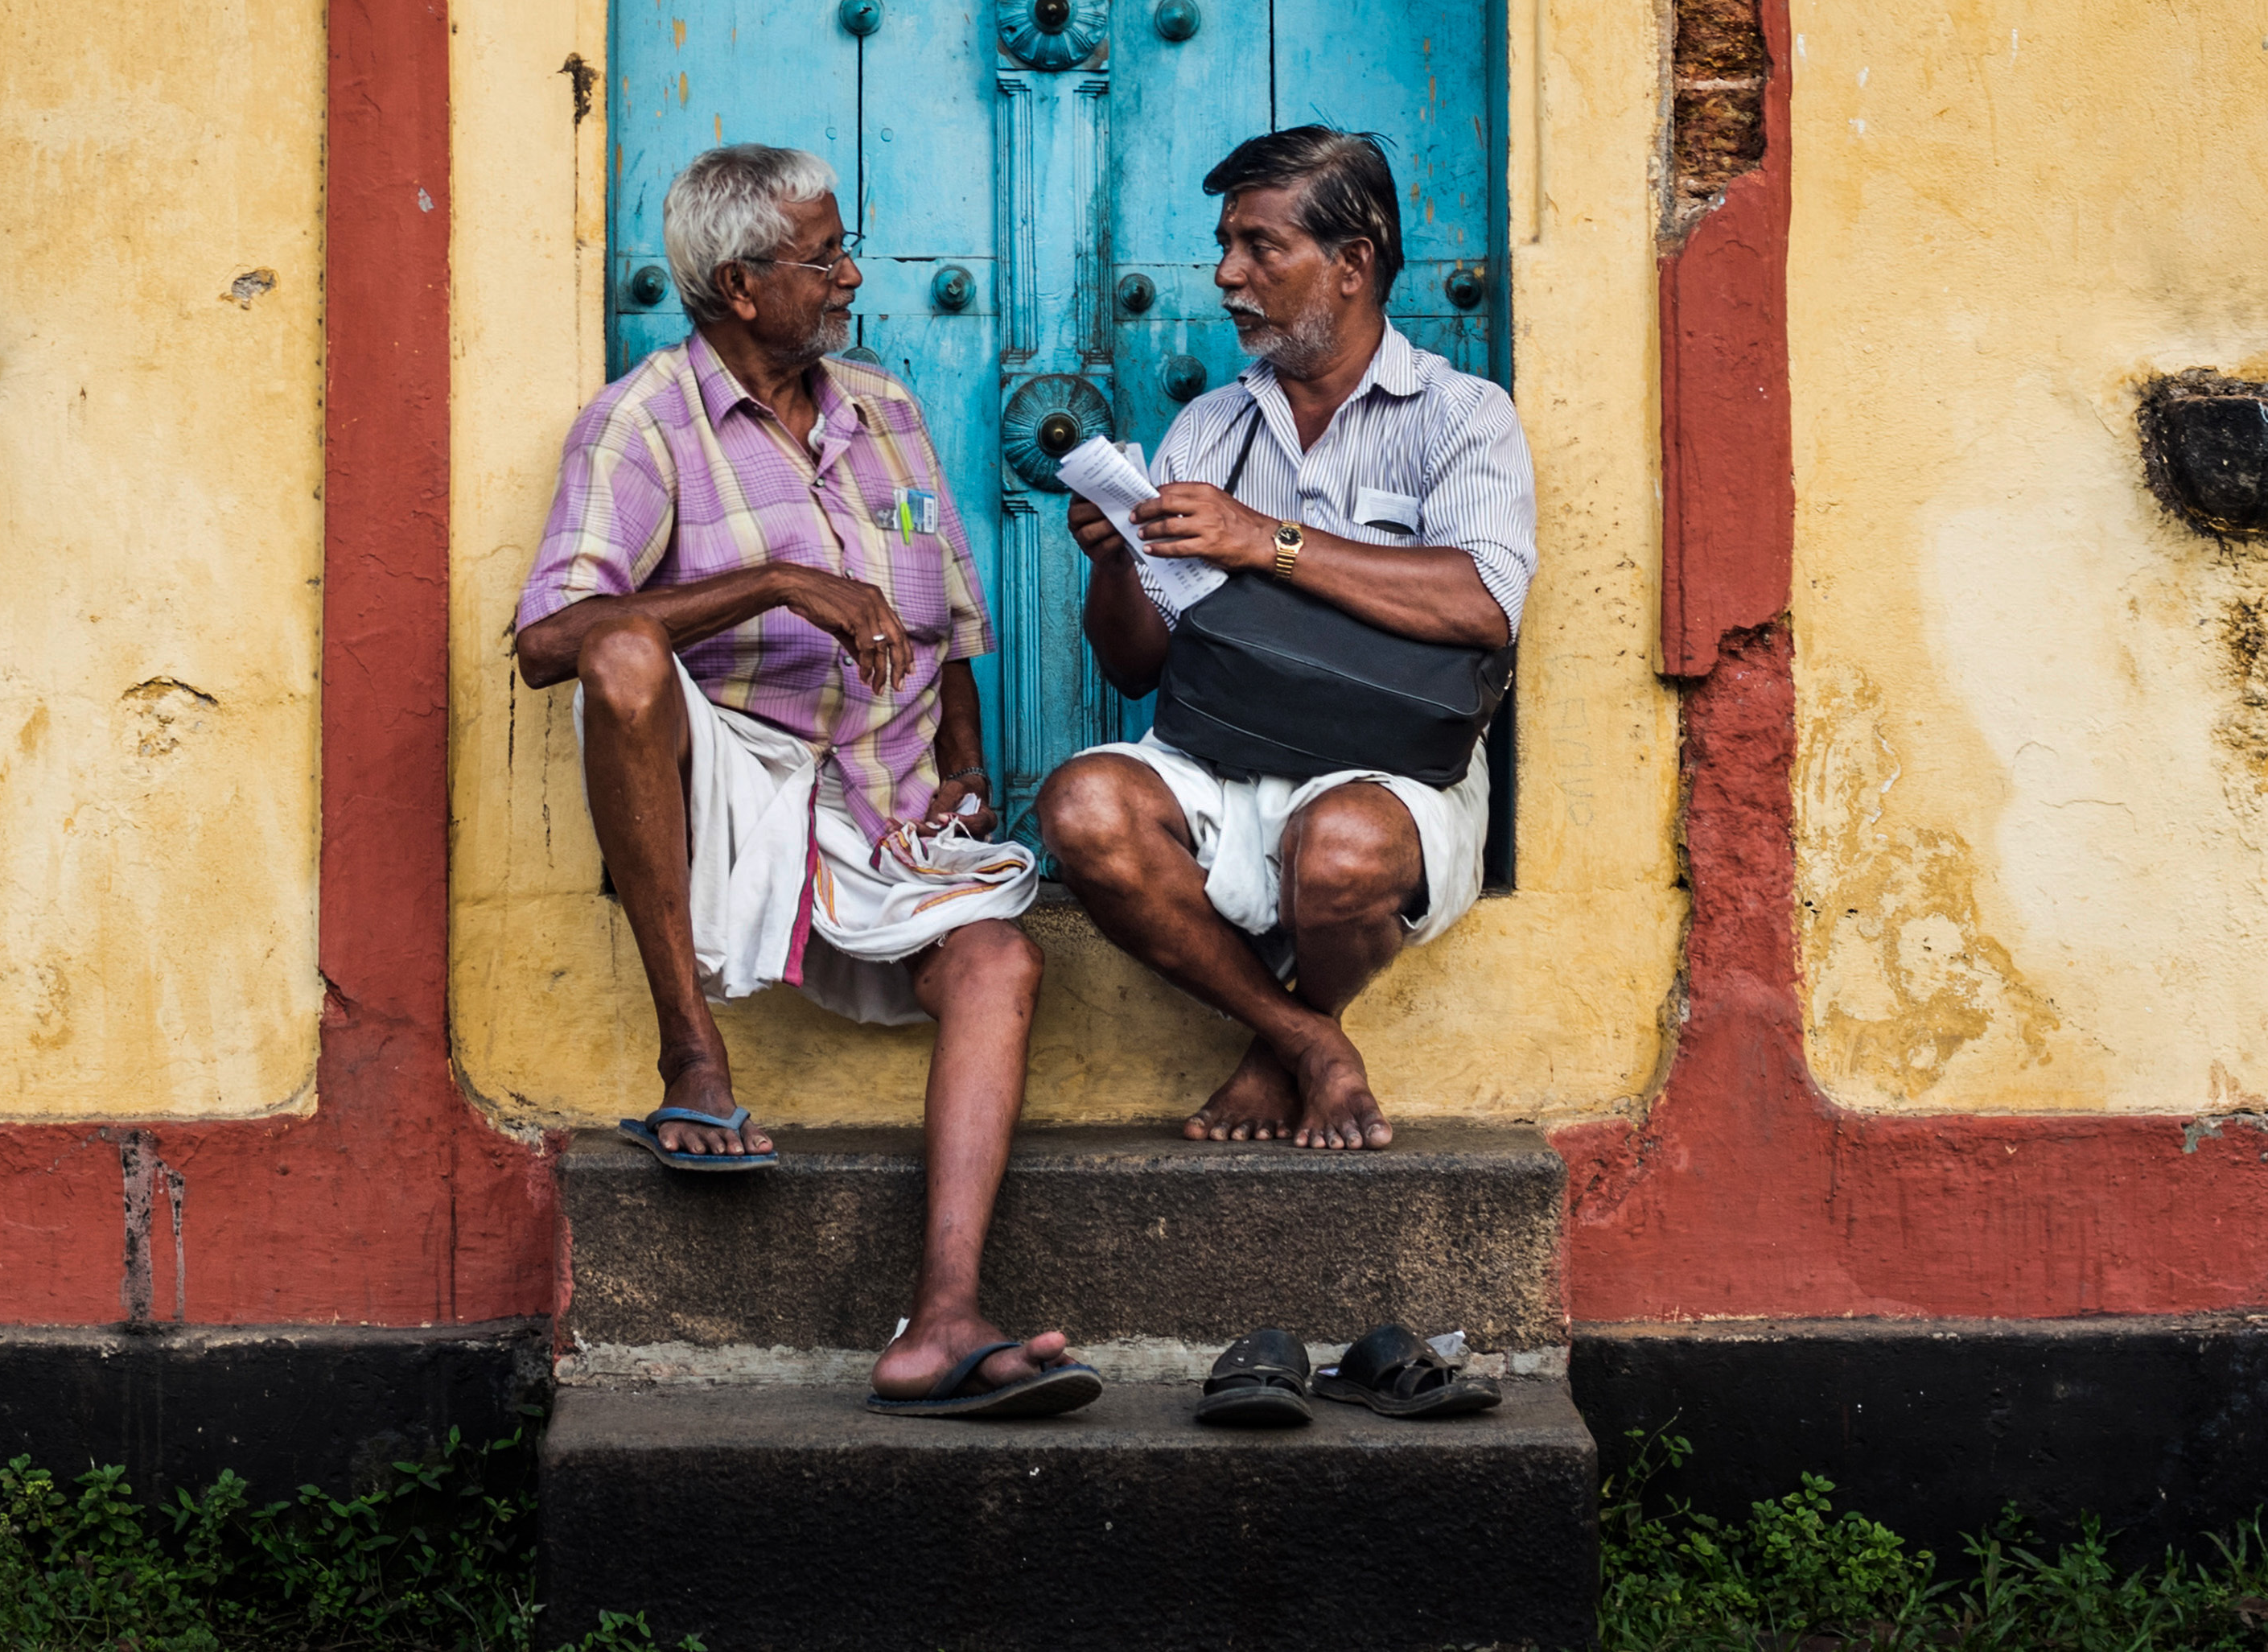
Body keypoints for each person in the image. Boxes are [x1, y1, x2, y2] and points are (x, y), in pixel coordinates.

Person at [511, 142, 1095, 1418]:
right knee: (617, 644)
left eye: (844, 247)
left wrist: (961, 757)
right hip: (738, 787)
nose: (849, 275)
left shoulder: (882, 406)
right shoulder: (640, 421)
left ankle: (941, 1317)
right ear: (736, 284)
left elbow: (944, 605)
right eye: (821, 256)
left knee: (1001, 963)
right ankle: (693, 1058)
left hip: (876, 807)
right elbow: (546, 640)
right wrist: (774, 579)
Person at [1039, 127, 1536, 1153]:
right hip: (1222, 755)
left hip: (1395, 771)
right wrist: (1113, 562)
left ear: (1351, 263)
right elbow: (1136, 665)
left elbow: (1483, 602)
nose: (1227, 275)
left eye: (1261, 247)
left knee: (1344, 848)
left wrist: (1264, 540)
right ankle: (1304, 1040)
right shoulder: (1207, 430)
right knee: (1084, 806)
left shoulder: (1461, 415)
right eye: (1225, 245)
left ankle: (1275, 1054)